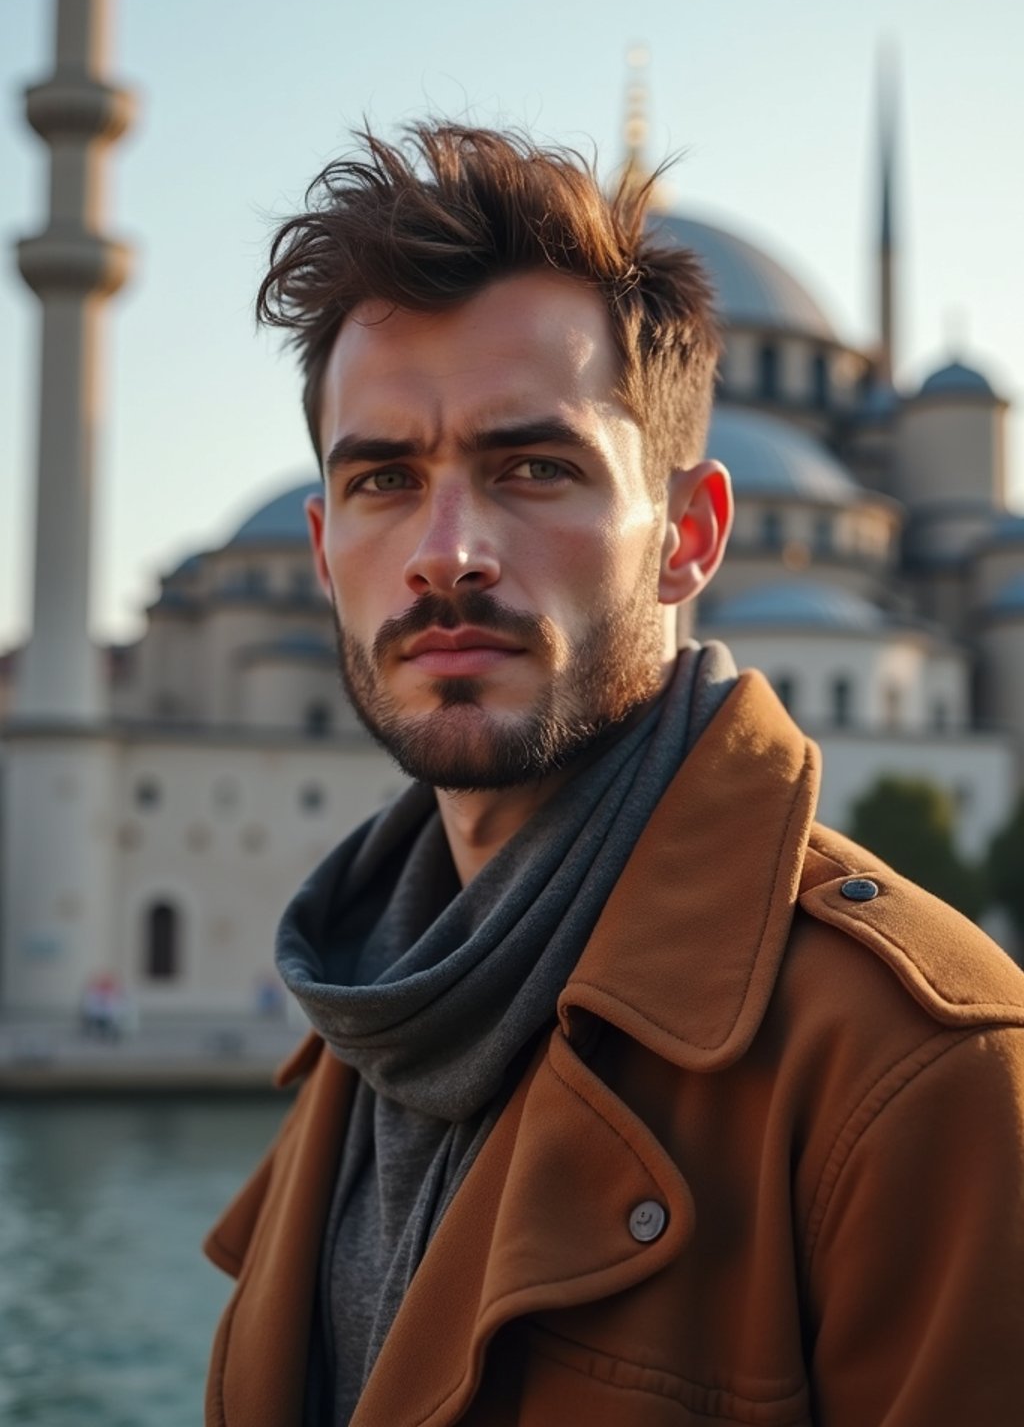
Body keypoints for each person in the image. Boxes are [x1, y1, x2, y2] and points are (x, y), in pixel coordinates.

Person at [204, 123, 1024, 1427]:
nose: (447, 553)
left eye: (534, 467)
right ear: (319, 548)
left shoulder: (921, 1078)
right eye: (383, 479)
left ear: (690, 537)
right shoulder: (368, 1018)